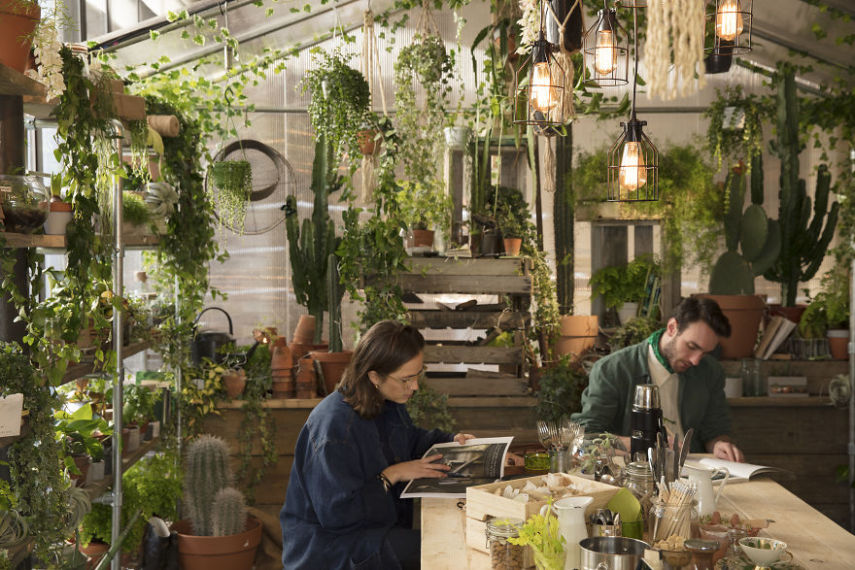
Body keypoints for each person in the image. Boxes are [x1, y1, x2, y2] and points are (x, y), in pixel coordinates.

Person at [280, 320, 475, 569]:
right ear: (374, 376)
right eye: (406, 379)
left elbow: (410, 439)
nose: (414, 387)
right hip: (332, 550)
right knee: (442, 548)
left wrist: (452, 441)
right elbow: (337, 516)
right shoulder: (335, 428)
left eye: (417, 376)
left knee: (450, 536)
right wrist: (392, 474)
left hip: (372, 529)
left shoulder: (384, 400)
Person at [571, 297, 745, 462]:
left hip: (694, 472)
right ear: (671, 328)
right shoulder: (612, 369)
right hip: (635, 474)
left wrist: (720, 445)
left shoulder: (710, 371)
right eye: (692, 346)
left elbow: (715, 429)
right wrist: (640, 443)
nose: (695, 360)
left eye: (705, 352)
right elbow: (587, 437)